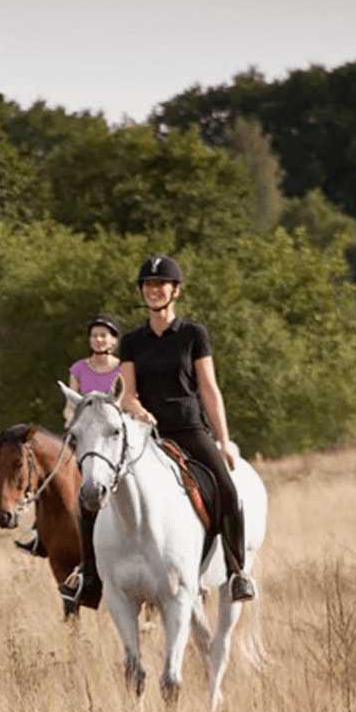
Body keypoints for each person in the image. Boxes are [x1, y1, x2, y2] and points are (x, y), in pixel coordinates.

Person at [63, 255, 255, 609]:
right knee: (91, 495)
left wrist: (224, 439)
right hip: (146, 434)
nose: (153, 290)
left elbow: (209, 389)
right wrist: (139, 412)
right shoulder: (134, 341)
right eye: (148, 285)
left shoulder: (194, 335)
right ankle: (90, 580)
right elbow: (129, 393)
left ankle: (237, 570)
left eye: (160, 285)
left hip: (190, 428)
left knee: (227, 490)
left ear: (175, 290)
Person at [17, 313, 125, 556]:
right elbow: (70, 401)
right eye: (94, 335)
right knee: (51, 470)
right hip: (85, 428)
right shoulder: (78, 368)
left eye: (103, 335)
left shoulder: (122, 368)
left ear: (113, 341)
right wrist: (69, 418)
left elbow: (127, 399)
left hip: (110, 432)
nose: (98, 340)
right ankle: (39, 530)